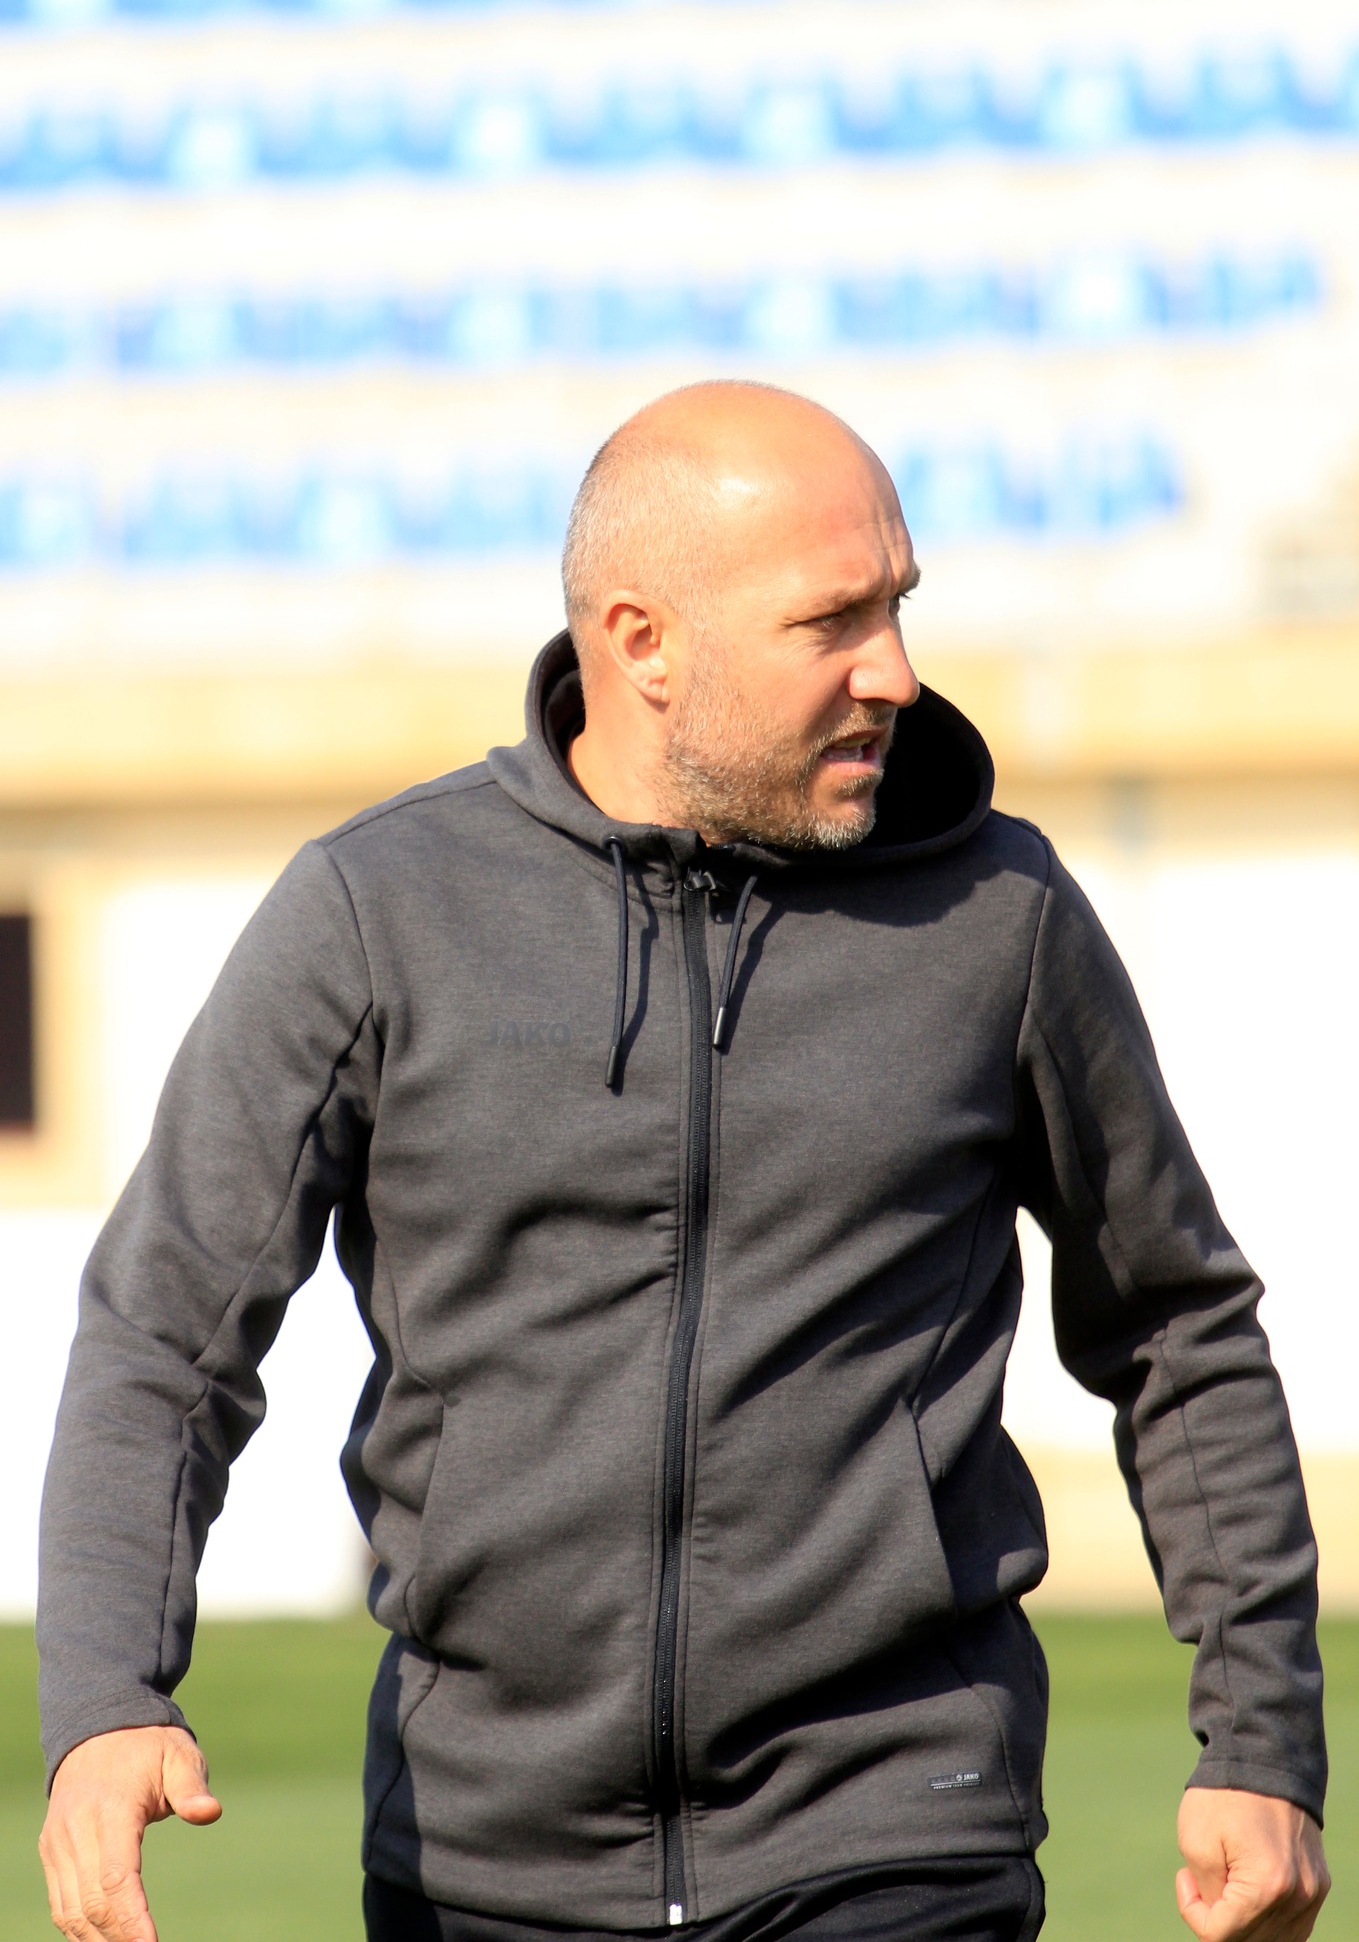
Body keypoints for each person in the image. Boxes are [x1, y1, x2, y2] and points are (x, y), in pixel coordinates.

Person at [38, 383, 1328, 1942]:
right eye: (832, 621)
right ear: (642, 643)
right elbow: (165, 1335)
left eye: (898, 607)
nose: (895, 672)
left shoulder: (1004, 917)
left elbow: (1178, 1326)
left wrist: (1260, 1737)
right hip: (480, 1867)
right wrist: (107, 1697)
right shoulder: (378, 916)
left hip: (898, 1837)